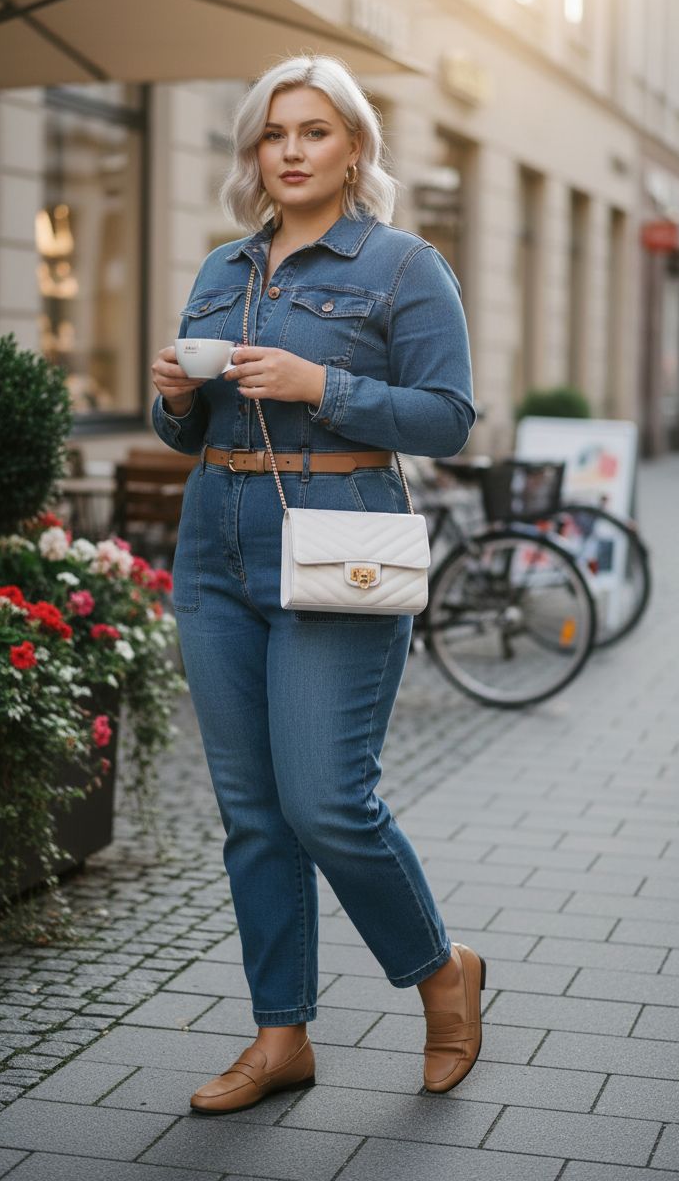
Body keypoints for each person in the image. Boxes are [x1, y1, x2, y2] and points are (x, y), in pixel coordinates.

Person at [151, 54, 483, 1116]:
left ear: (353, 149)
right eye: (272, 134)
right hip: (217, 548)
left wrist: (320, 384)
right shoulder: (222, 269)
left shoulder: (401, 265)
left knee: (328, 801)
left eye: (313, 132)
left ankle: (441, 972)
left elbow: (445, 416)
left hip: (341, 539)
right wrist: (170, 399)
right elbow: (186, 430)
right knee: (251, 814)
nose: (289, 152)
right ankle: (279, 1035)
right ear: (254, 151)